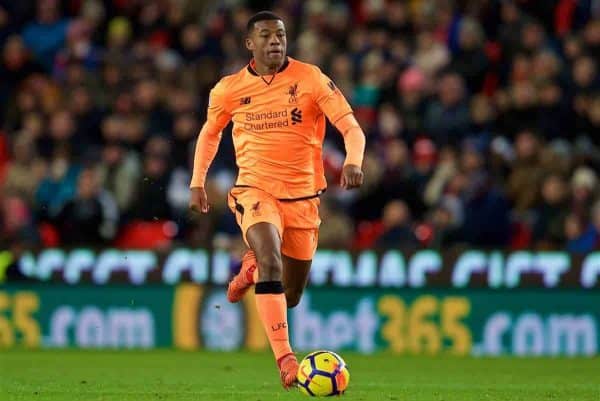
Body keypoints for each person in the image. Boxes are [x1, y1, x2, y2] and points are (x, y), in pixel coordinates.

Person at [188, 11, 365, 389]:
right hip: (255, 190)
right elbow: (209, 134)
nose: (275, 41)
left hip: (303, 199)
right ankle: (286, 360)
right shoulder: (228, 89)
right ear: (249, 43)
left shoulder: (311, 78)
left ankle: (250, 271)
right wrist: (197, 182)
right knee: (270, 257)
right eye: (266, 35)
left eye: (280, 35)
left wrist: (353, 161)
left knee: (292, 294)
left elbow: (351, 127)